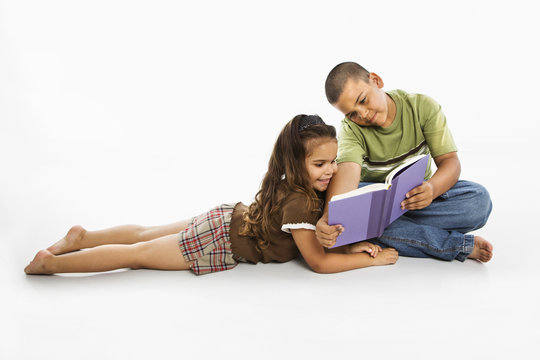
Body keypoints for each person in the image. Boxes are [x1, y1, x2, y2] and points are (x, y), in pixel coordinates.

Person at [25, 114, 399, 276]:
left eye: (333, 161)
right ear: (296, 161)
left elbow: (312, 243)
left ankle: (83, 237)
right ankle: (52, 264)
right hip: (219, 238)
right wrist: (370, 261)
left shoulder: (296, 186)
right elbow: (316, 262)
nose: (332, 170)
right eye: (320, 164)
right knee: (138, 255)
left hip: (228, 217)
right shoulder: (302, 201)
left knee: (144, 233)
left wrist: (349, 246)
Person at [315, 62, 493, 263]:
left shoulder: (422, 107)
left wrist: (432, 189)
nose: (362, 114)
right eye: (352, 114)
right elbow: (347, 174)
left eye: (363, 100)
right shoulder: (351, 129)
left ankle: (392, 234)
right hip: (377, 209)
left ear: (376, 80)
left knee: (479, 201)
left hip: (420, 199)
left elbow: (450, 162)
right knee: (352, 213)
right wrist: (329, 218)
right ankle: (454, 245)